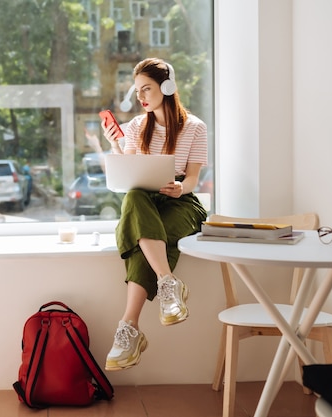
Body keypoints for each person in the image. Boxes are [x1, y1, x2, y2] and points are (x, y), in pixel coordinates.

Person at [100, 58, 208, 371]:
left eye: (146, 88)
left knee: (142, 235)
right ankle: (168, 283)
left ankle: (129, 329)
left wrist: (180, 188)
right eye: (137, 91)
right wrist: (117, 148)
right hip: (145, 201)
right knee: (135, 198)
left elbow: (192, 180)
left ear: (167, 86)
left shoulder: (195, 128)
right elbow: (131, 176)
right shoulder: (136, 127)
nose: (141, 96)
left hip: (181, 204)